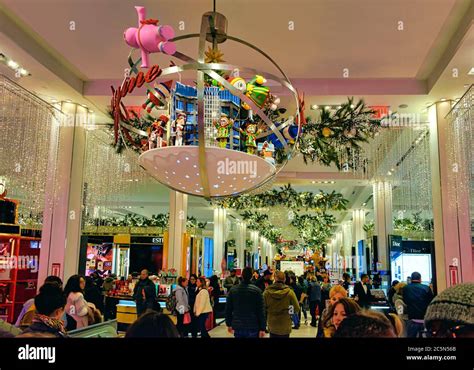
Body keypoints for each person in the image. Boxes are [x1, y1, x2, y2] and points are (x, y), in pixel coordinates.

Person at [225, 267, 266, 338]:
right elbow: (261, 311)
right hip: (253, 325)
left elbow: (228, 309)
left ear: (242, 275)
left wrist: (229, 324)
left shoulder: (233, 290)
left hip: (238, 326)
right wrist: (262, 328)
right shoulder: (257, 291)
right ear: (251, 276)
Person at [263, 271, 300, 338]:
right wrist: (289, 312)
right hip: (285, 324)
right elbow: (297, 308)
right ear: (284, 279)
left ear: (274, 278)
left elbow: (262, 308)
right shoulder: (290, 292)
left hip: (272, 323)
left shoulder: (267, 292)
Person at [403, 271, 434, 337]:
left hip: (412, 319)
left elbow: (405, 301)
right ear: (420, 279)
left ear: (411, 279)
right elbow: (431, 302)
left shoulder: (406, 288)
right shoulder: (426, 288)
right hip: (424, 319)